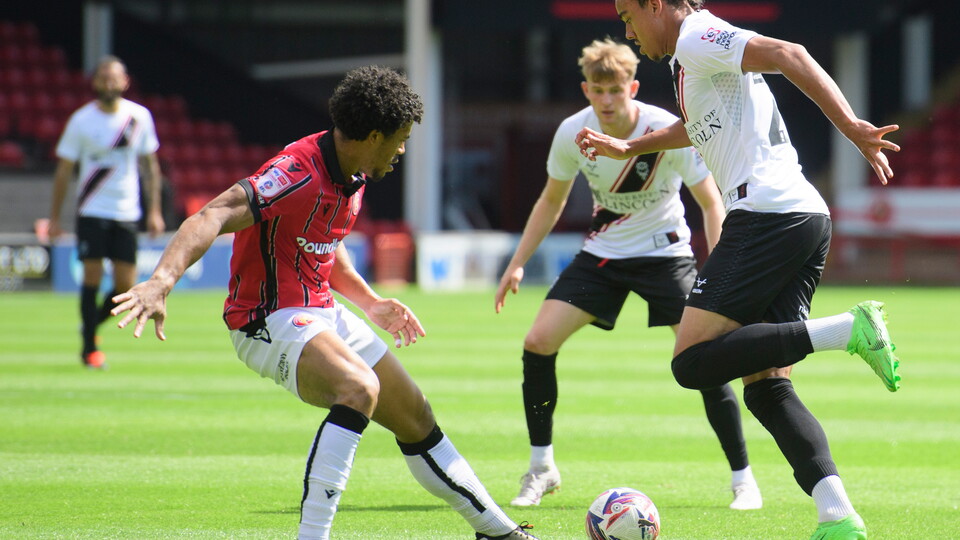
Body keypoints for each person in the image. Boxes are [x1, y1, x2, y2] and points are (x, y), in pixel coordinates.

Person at [110, 66, 537, 540]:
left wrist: (371, 302)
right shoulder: (297, 171)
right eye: (398, 140)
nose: (401, 151)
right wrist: (160, 281)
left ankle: (498, 531)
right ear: (373, 135)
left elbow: (323, 246)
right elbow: (214, 213)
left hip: (320, 312)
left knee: (415, 414)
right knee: (359, 388)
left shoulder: (352, 172)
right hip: (266, 319)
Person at [575, 1, 902, 538]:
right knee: (767, 388)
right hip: (802, 216)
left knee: (691, 363)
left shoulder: (696, 36)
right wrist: (632, 146)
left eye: (629, 15)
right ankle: (838, 517)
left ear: (657, 5)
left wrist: (849, 126)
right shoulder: (697, 57)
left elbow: (788, 53)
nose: (626, 30)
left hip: (765, 214)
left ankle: (849, 329)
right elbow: (700, 127)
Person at [494, 37, 762, 511]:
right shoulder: (571, 133)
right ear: (586, 91)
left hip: (666, 254)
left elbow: (709, 201)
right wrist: (516, 263)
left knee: (705, 356)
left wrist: (719, 274)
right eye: (598, 92)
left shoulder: (665, 129)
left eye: (615, 90)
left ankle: (744, 480)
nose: (607, 100)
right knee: (537, 342)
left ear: (632, 87)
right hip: (603, 255)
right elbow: (551, 201)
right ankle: (541, 468)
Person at [48, 55, 165, 369]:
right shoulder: (81, 120)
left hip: (127, 211)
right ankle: (89, 349)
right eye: (104, 77)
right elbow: (64, 170)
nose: (110, 83)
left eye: (115, 78)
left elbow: (150, 166)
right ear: (96, 82)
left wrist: (154, 210)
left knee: (126, 286)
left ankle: (89, 326)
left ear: (125, 82)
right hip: (92, 209)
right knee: (92, 277)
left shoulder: (139, 117)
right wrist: (55, 217)